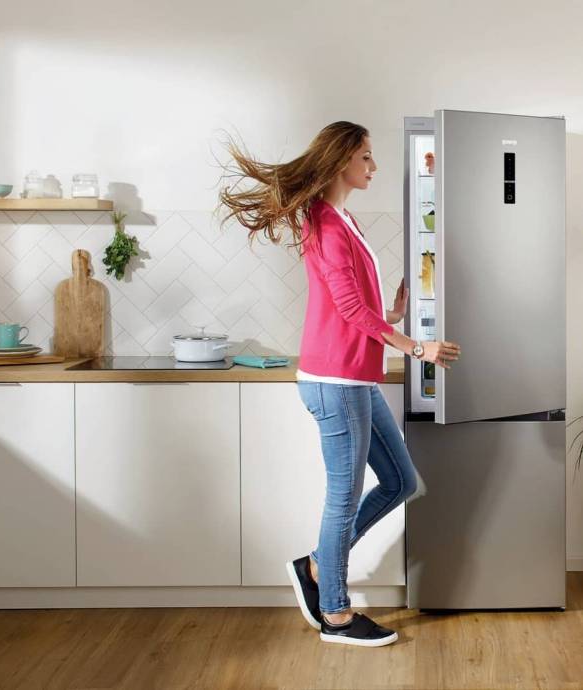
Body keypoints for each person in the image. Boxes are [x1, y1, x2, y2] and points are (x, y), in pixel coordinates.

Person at [217, 121, 461, 647]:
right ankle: (336, 613)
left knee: (399, 482)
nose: (373, 167)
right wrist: (417, 347)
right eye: (367, 158)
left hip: (354, 376)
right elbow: (348, 309)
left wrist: (392, 310)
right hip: (335, 380)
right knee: (343, 501)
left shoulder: (340, 219)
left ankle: (315, 567)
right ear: (341, 161)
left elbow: (352, 302)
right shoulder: (326, 225)